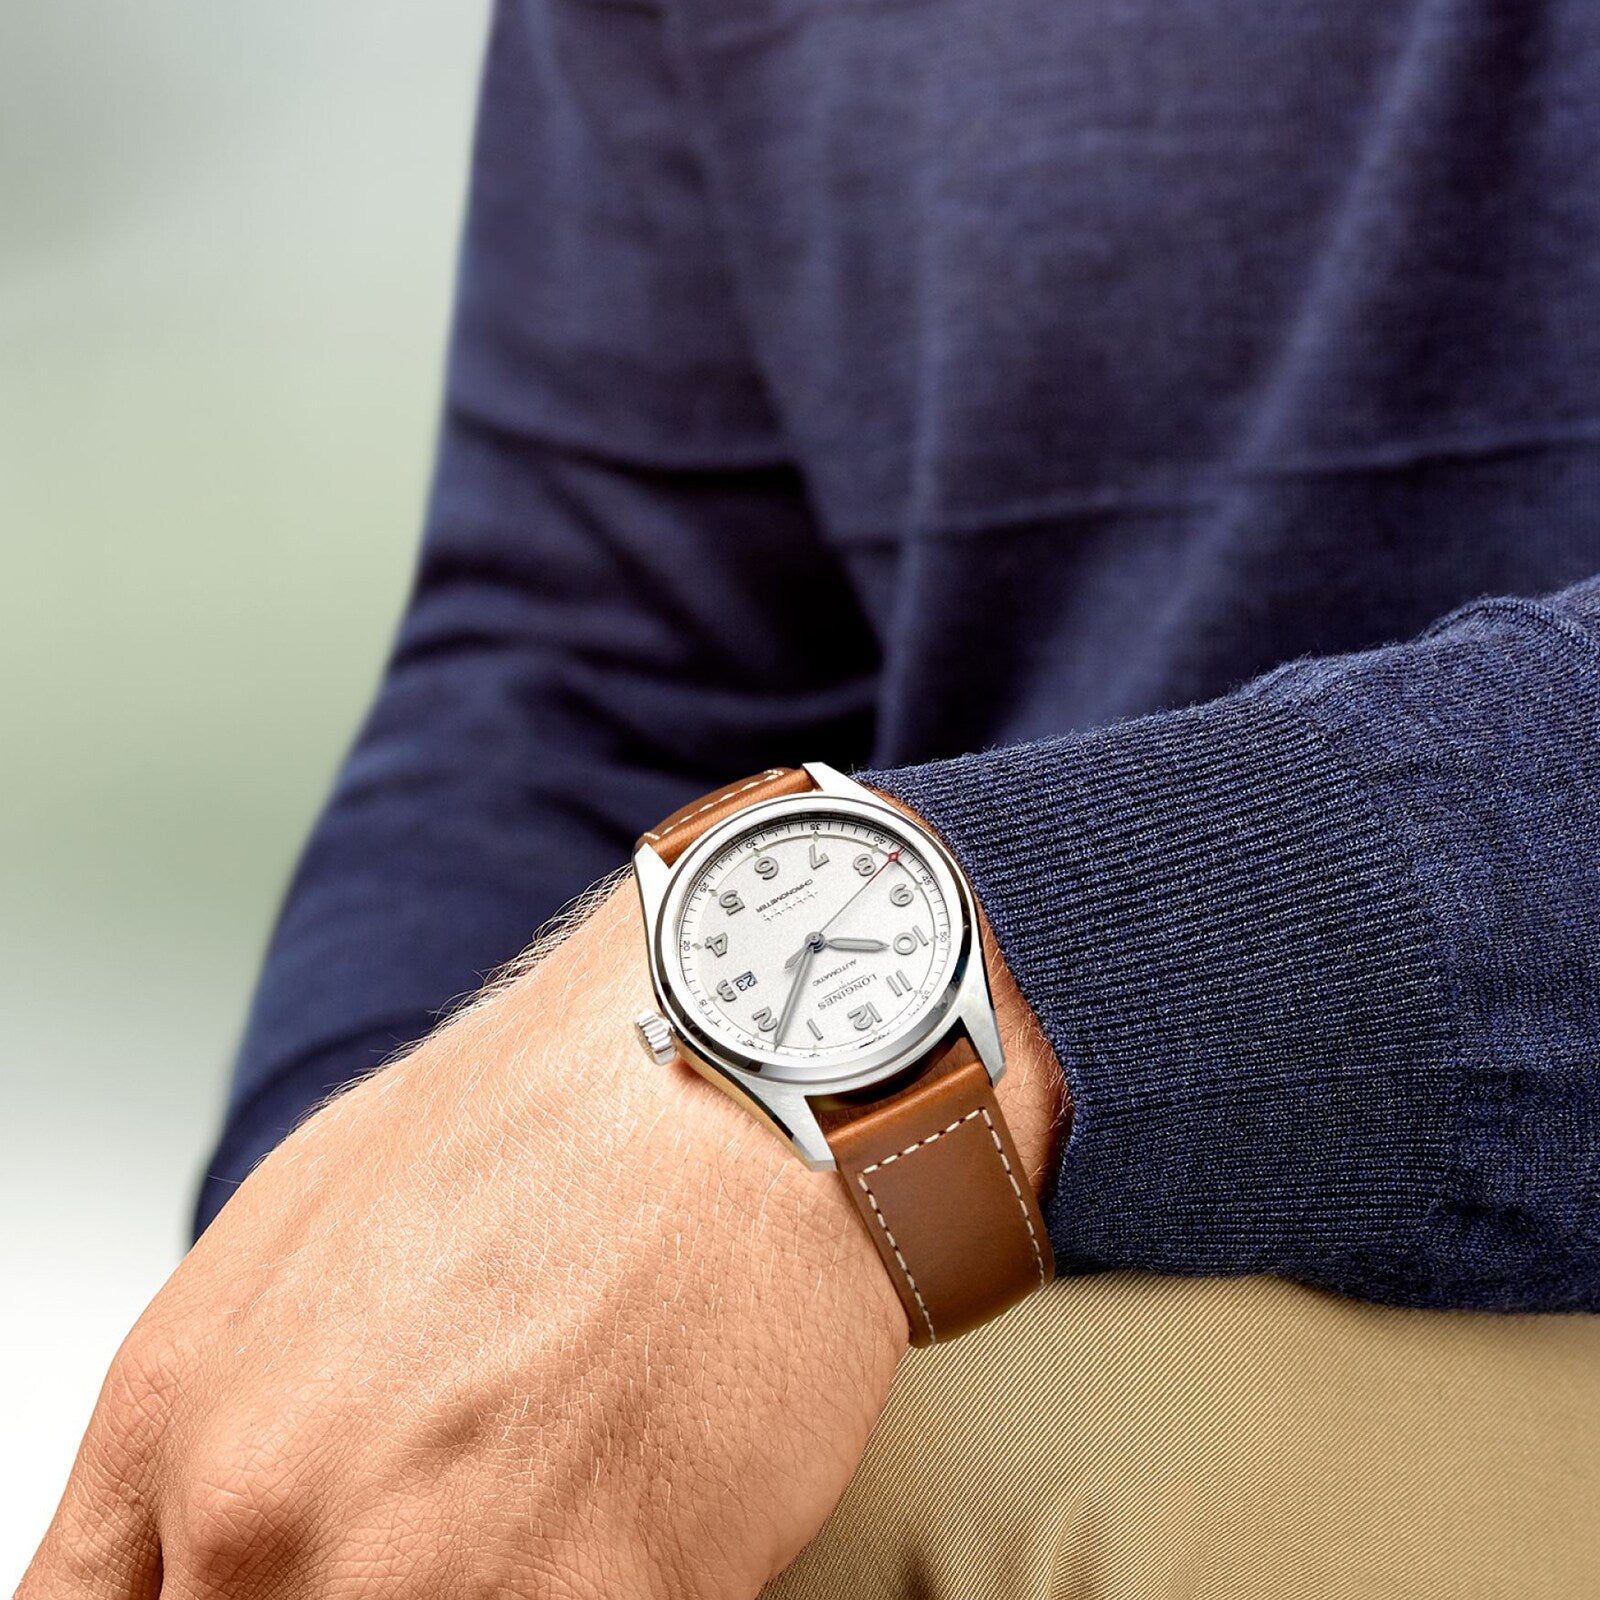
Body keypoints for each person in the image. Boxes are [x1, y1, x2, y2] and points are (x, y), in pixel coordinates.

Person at [22, 0, 1600, 1594]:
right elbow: (599, 647)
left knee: (886, 1499)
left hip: (1317, 1314)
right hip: (962, 1221)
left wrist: (1006, 995)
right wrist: (344, 1308)